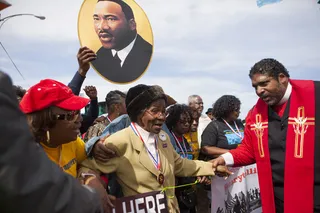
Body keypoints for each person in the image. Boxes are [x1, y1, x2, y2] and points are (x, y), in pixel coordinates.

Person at [79, 84, 230, 212]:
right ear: (138, 112)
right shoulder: (120, 140)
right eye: (155, 110)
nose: (162, 116)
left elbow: (179, 164)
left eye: (163, 111)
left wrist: (211, 167)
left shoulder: (163, 137)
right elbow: (86, 167)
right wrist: (93, 184)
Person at [212, 58, 320, 213]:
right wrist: (224, 158)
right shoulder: (256, 114)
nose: (259, 91)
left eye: (264, 83)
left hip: (313, 195)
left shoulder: (315, 95)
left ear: (282, 78)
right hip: (277, 199)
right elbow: (249, 150)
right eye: (255, 87)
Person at [0, 71, 103, 213]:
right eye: (71, 114)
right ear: (46, 123)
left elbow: (86, 163)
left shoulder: (72, 142)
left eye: (78, 111)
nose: (79, 119)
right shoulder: (23, 159)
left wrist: (89, 177)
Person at [91, 0, 153, 83]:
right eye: (96, 19)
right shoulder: (99, 56)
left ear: (132, 24)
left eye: (111, 19)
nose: (101, 27)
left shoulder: (147, 53)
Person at [165, 104, 198, 213]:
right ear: (173, 121)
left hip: (187, 189)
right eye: (183, 121)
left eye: (188, 120)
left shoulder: (185, 141)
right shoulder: (167, 139)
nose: (187, 124)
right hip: (174, 190)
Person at [201, 95, 244, 160]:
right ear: (227, 110)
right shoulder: (214, 126)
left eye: (239, 109)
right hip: (224, 164)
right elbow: (206, 149)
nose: (239, 112)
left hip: (243, 162)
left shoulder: (239, 123)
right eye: (236, 109)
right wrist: (232, 153)